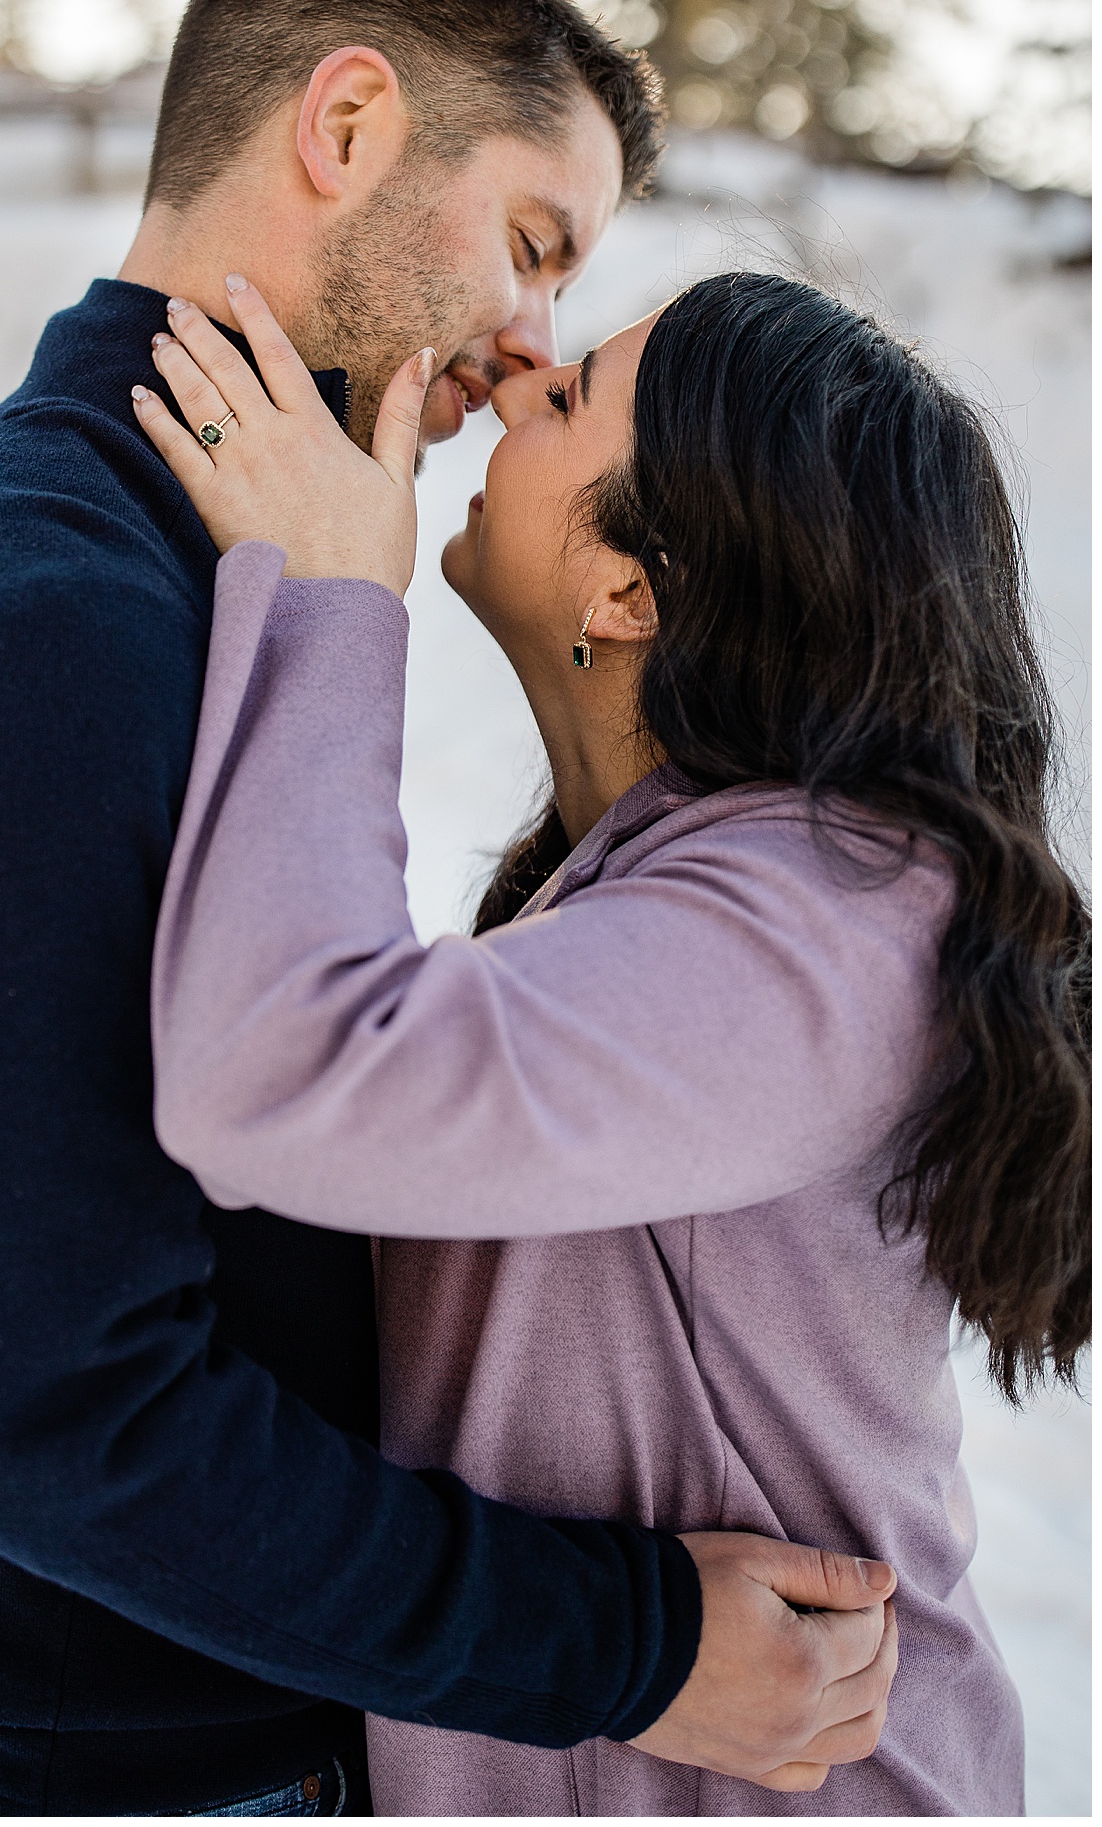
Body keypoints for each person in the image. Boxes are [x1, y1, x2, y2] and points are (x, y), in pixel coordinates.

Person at [0, 0, 897, 1822]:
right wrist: (630, 1645)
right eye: (530, 240)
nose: (529, 333)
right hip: (103, 1775)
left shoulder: (227, 565)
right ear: (348, 125)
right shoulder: (51, 619)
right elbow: (63, 1423)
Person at [136, 268, 1090, 1816]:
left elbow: (281, 1074)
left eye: (567, 395)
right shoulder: (700, 883)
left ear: (632, 592)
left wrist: (328, 591)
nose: (516, 381)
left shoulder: (820, 923)